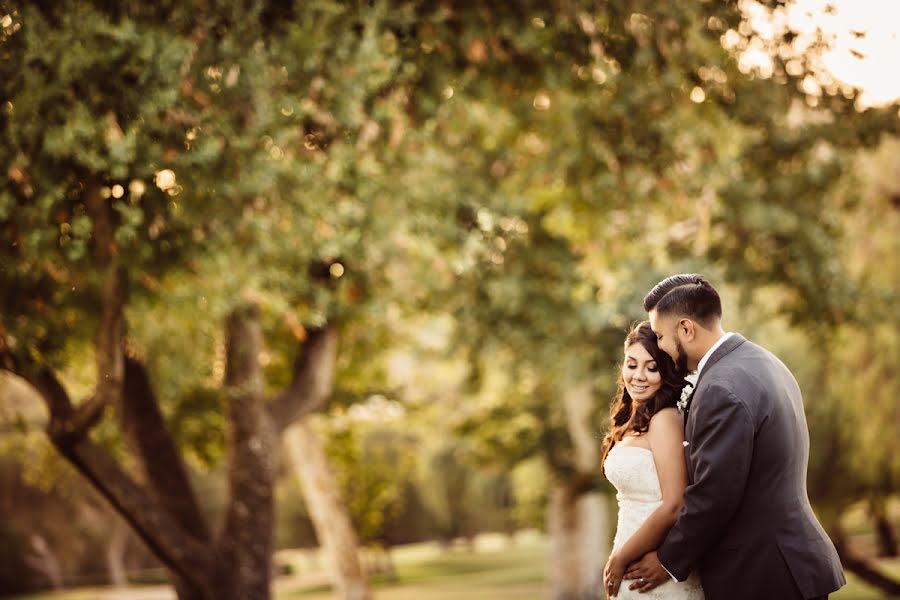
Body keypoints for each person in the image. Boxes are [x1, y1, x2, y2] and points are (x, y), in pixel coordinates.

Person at [623, 274, 845, 600]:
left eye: (661, 336)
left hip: (762, 575)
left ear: (687, 329)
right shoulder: (762, 360)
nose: (661, 348)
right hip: (789, 563)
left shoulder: (719, 389)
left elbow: (714, 494)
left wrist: (667, 560)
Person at [601, 321, 704, 599]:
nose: (639, 376)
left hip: (652, 566)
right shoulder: (631, 421)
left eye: (652, 367)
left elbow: (673, 505)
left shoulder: (665, 419)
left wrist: (622, 558)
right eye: (632, 364)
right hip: (629, 553)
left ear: (665, 372)